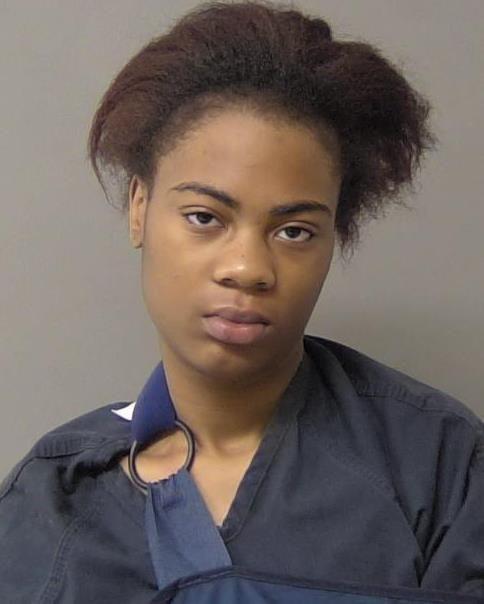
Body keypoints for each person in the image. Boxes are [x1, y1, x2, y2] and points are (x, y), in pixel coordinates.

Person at [1, 1, 483, 602]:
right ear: (139, 208)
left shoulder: (437, 465)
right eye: (205, 217)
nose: (248, 269)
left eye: (295, 231)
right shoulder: (49, 499)